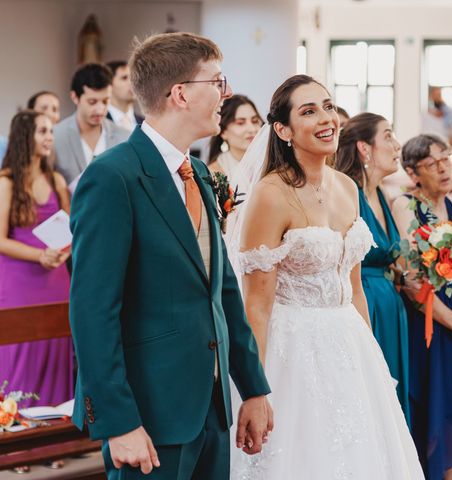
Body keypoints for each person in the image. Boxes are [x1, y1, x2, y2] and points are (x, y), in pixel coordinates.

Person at [69, 32, 272, 479]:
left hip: (211, 407)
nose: (226, 94)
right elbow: (93, 312)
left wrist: (252, 388)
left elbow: (221, 290)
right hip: (149, 413)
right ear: (180, 93)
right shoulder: (112, 177)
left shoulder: (196, 171)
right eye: (217, 82)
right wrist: (119, 421)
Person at [227, 74, 424, 479]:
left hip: (349, 345)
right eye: (309, 111)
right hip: (293, 350)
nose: (326, 118)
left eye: (329, 107)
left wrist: (372, 359)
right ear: (282, 130)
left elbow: (354, 290)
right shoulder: (271, 193)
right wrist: (254, 389)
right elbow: (257, 305)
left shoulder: (347, 188)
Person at [392, 134, 452, 479]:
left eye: (446, 158)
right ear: (412, 172)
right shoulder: (405, 206)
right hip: (439, 336)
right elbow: (413, 285)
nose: (444, 167)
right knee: (444, 424)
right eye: (433, 163)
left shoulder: (451, 206)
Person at [334, 112, 411, 423]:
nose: (397, 145)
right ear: (364, 149)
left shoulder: (381, 194)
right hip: (363, 305)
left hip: (389, 306)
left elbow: (394, 257)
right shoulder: (346, 193)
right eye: (388, 136)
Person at [0, 110, 73, 408]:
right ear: (24, 137)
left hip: (57, 279)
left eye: (51, 131)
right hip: (18, 282)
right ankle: (20, 434)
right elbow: (0, 239)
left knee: (57, 353)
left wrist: (62, 253)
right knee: (21, 355)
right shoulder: (6, 182)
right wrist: (40, 255)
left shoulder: (55, 179)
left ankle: (55, 442)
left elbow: (71, 226)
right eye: (42, 131)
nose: (49, 137)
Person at [53, 63, 129, 185]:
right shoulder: (55, 136)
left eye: (105, 101)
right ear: (74, 97)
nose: (100, 109)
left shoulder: (125, 138)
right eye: (92, 102)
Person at [207, 94, 263, 177]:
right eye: (240, 123)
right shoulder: (214, 173)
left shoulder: (272, 165)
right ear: (223, 132)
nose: (252, 129)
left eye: (254, 121)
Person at [106, 60, 144, 132]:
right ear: (109, 85)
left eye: (133, 78)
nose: (132, 83)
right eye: (124, 78)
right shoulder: (99, 123)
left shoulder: (144, 124)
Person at [421, 87, 452, 151]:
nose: (438, 97)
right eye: (436, 95)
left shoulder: (449, 113)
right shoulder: (426, 114)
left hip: (445, 143)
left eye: (439, 95)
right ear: (431, 97)